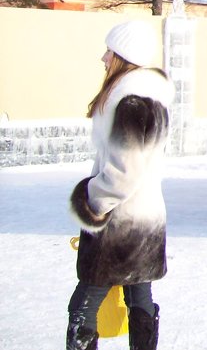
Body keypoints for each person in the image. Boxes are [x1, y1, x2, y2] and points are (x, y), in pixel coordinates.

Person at [67, 21, 173, 350]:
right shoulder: (148, 97)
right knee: (139, 296)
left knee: (84, 306)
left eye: (109, 51)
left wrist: (93, 202)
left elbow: (125, 170)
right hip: (145, 217)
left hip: (120, 221)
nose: (103, 57)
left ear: (123, 56)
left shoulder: (131, 101)